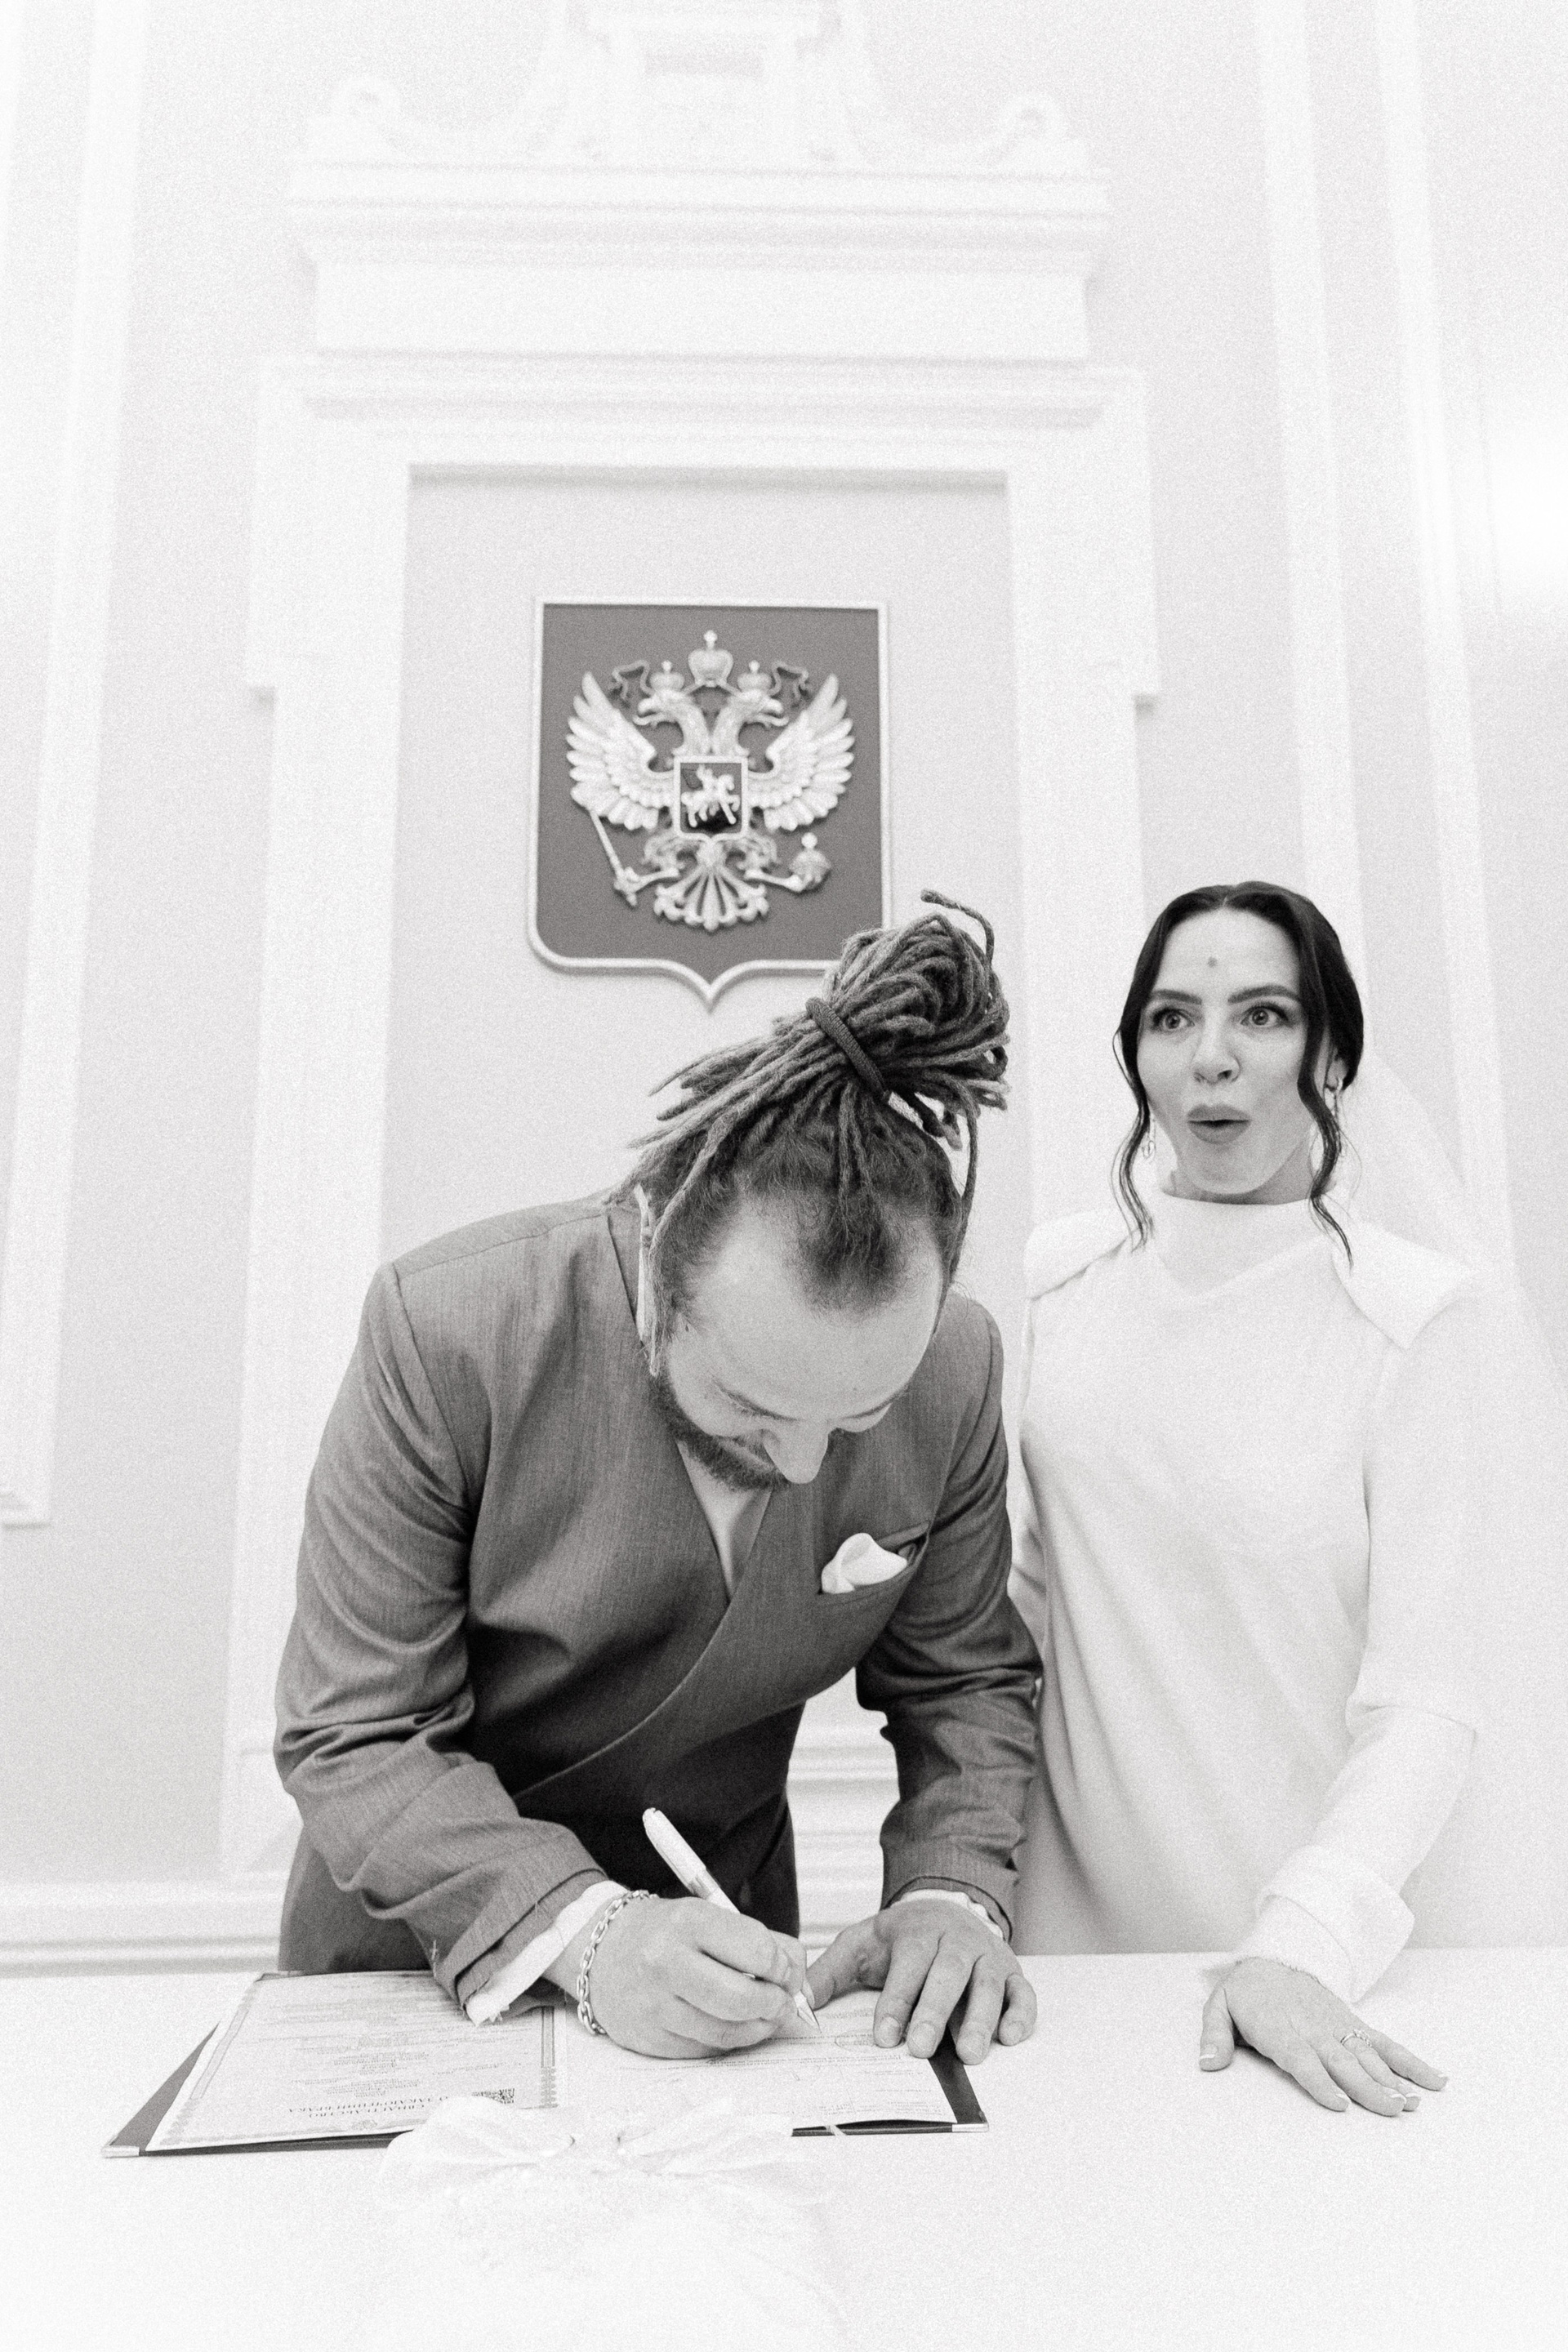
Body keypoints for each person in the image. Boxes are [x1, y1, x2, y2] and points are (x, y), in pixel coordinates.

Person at [275, 893, 1040, 2069]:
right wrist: (590, 1936)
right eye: (751, 1408)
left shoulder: (954, 1366)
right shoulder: (447, 1333)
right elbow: (357, 1729)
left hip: (736, 1989)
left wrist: (951, 1893)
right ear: (654, 1274)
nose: (802, 1464)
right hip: (416, 1971)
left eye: (859, 1418)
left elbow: (964, 1682)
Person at [1010, 881, 1494, 2118]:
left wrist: (1302, 1942)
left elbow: (1428, 1695)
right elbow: (1024, 1609)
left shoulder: (1412, 1321)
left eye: (1262, 1016)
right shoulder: (1061, 1284)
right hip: (1062, 1954)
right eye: (1171, 1019)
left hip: (1309, 1963)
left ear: (1331, 1056)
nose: (1211, 1058)